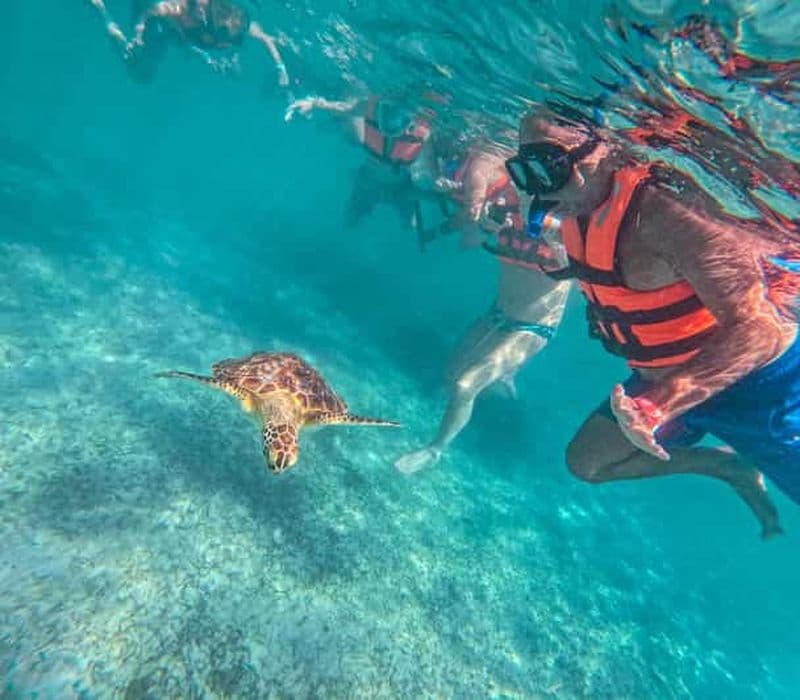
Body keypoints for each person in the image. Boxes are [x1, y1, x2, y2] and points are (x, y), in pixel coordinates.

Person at [505, 108, 800, 537]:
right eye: (524, 169)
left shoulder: (671, 217)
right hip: (666, 384)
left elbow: (761, 330)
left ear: (603, 150)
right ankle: (725, 466)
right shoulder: (579, 205)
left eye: (550, 165)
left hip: (759, 392)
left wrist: (661, 403)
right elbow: (625, 277)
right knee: (588, 463)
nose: (542, 189)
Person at [394, 147, 571, 473]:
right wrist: (454, 213)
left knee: (465, 385)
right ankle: (505, 378)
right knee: (450, 376)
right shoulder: (506, 209)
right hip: (497, 315)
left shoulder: (566, 227)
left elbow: (574, 264)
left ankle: (435, 450)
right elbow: (472, 228)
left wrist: (552, 235)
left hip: (533, 328)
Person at [90, 0, 289, 86]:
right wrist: (138, 36)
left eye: (237, 19)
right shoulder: (186, 10)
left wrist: (281, 68)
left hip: (176, 33)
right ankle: (103, 15)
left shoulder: (235, 24)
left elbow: (266, 39)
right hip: (155, 16)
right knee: (140, 71)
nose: (229, 21)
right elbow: (152, 12)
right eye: (224, 10)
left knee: (147, 70)